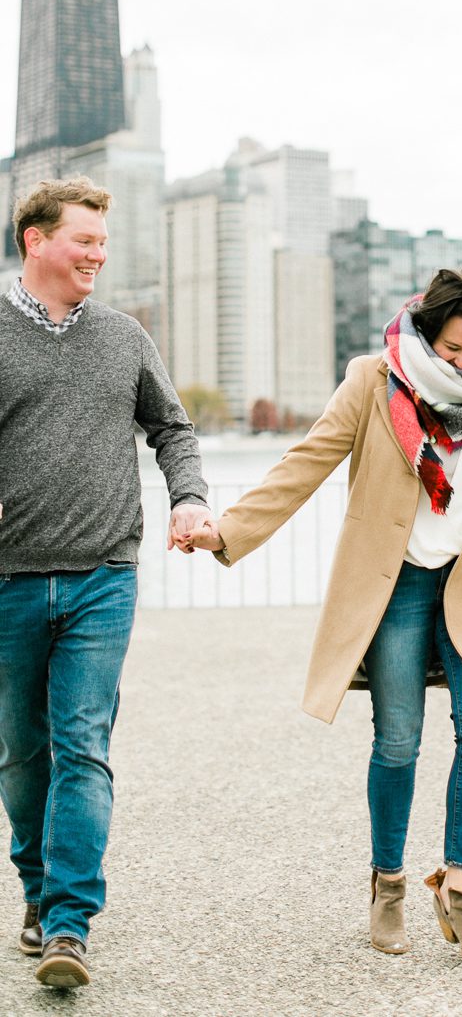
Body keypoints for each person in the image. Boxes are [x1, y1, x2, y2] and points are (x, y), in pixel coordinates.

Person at [187, 266, 462, 965]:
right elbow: (306, 460)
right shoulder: (374, 382)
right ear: (427, 333)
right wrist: (228, 531)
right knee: (398, 739)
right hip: (397, 582)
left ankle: (459, 889)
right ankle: (389, 883)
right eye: (451, 352)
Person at [0, 177, 209, 990]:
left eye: (102, 243)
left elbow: (173, 428)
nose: (98, 254)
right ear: (36, 239)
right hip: (9, 581)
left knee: (82, 747)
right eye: (84, 240)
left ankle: (68, 925)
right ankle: (34, 890)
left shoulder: (124, 338)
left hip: (102, 577)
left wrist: (189, 498)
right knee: (22, 757)